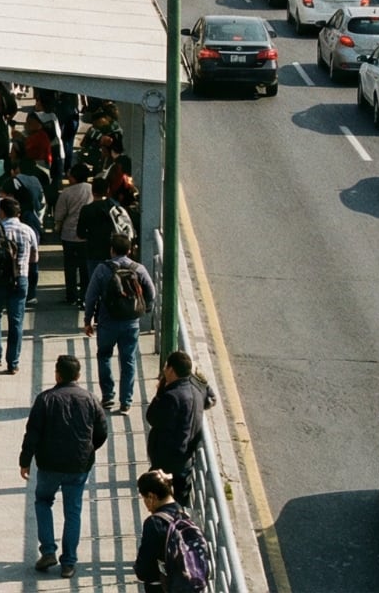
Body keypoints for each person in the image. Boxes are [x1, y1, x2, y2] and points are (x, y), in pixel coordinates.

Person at [20, 353, 108, 578]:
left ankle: (48, 549)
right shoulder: (90, 399)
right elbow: (101, 432)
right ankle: (68, 562)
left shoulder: (45, 399)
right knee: (73, 511)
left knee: (43, 501)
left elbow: (33, 433)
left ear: (57, 374)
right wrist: (89, 450)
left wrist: (25, 460)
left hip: (49, 464)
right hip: (78, 465)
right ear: (78, 375)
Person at [83, 232, 156, 413]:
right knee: (128, 360)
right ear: (130, 250)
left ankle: (108, 396)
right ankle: (126, 401)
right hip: (131, 323)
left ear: (111, 250)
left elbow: (91, 296)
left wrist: (88, 320)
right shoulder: (138, 269)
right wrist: (145, 310)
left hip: (107, 322)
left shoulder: (102, 269)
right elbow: (151, 292)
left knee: (104, 356)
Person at [146, 349, 211, 507]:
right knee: (181, 502)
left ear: (171, 370)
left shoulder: (172, 396)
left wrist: (161, 389)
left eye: (165, 367)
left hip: (167, 459)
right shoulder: (198, 387)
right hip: (186, 458)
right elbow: (211, 399)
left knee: (160, 502)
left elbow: (152, 417)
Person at [0, 197, 38, 373]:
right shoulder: (28, 230)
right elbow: (34, 257)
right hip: (20, 278)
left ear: (2, 212)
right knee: (16, 321)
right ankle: (13, 362)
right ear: (18, 213)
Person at [134, 470, 195, 593]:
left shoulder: (154, 523)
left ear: (151, 497)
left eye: (144, 498)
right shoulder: (184, 515)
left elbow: (144, 568)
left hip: (162, 587)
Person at [48, 163, 94, 304]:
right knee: (85, 266)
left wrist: (57, 226)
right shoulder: (92, 189)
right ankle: (85, 294)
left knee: (70, 266)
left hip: (69, 234)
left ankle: (71, 295)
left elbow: (59, 215)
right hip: (87, 233)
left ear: (74, 177)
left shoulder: (67, 193)